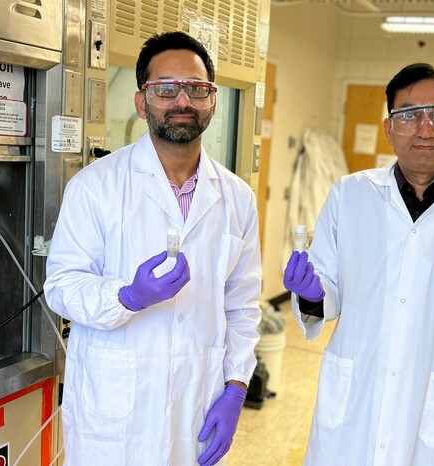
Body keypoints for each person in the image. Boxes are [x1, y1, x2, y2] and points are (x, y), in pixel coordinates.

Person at [283, 63, 434, 466]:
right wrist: (312, 294)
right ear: (389, 127)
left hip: (433, 416)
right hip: (354, 406)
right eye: (409, 115)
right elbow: (328, 290)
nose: (425, 129)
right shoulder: (349, 195)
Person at [44, 31, 262, 466]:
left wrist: (236, 388)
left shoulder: (238, 198)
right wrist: (127, 297)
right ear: (142, 102)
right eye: (165, 89)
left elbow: (242, 307)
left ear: (212, 101)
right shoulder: (95, 186)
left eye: (197, 89)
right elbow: (61, 287)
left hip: (195, 408)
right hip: (115, 414)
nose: (182, 101)